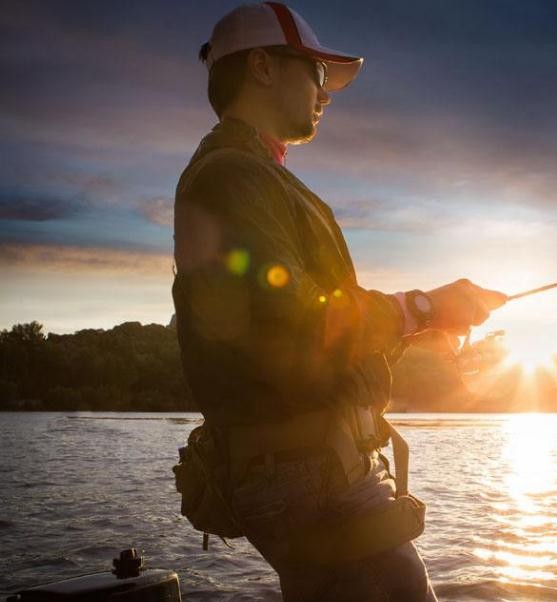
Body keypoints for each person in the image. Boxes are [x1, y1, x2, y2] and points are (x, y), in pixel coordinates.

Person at [172, 3, 506, 600]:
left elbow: (301, 336)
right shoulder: (233, 177)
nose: (326, 94)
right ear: (261, 68)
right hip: (306, 473)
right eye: (318, 74)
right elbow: (289, 319)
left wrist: (412, 326)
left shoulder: (250, 175)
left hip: (308, 467)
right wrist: (422, 308)